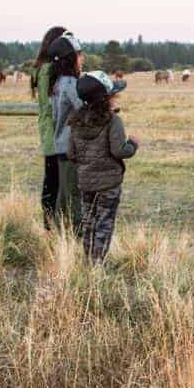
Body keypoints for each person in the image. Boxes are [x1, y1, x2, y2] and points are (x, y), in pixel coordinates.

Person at [67, 71, 139, 262]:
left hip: (86, 184)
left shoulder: (76, 121)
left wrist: (85, 166)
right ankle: (98, 265)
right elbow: (119, 151)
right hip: (109, 186)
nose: (116, 99)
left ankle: (88, 261)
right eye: (114, 95)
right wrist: (132, 144)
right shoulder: (113, 121)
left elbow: (71, 154)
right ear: (105, 99)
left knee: (88, 222)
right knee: (104, 225)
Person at [32, 26, 67, 228]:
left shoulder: (45, 69)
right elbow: (51, 105)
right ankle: (50, 224)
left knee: (54, 178)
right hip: (54, 132)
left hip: (52, 131)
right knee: (53, 179)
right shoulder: (47, 71)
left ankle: (52, 223)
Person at [48, 32, 84, 226]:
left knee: (63, 197)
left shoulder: (57, 82)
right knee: (73, 197)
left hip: (61, 145)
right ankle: (76, 240)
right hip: (71, 146)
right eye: (79, 54)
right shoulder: (71, 83)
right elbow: (84, 108)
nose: (83, 58)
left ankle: (58, 239)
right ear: (70, 58)